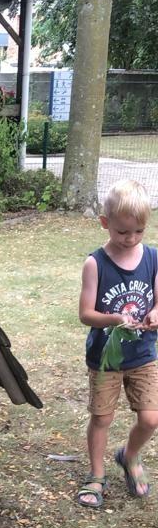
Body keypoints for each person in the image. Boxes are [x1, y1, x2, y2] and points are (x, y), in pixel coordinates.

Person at [77, 178, 158, 507]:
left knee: (151, 418)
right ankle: (96, 476)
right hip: (106, 359)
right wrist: (115, 319)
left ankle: (129, 454)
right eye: (123, 232)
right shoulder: (95, 264)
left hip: (143, 354)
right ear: (105, 223)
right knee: (102, 418)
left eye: (138, 231)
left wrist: (154, 313)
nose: (131, 239)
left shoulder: (153, 258)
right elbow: (85, 314)